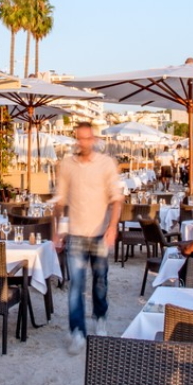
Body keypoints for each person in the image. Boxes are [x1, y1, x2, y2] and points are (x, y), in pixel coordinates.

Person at [53, 122, 123, 354]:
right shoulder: (66, 164)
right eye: (79, 138)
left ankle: (100, 315)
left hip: (100, 234)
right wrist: (58, 230)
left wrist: (112, 227)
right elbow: (60, 201)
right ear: (76, 140)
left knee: (101, 280)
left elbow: (117, 199)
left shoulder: (106, 164)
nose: (83, 142)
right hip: (75, 234)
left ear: (93, 139)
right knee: (76, 286)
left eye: (86, 138)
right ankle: (77, 332)